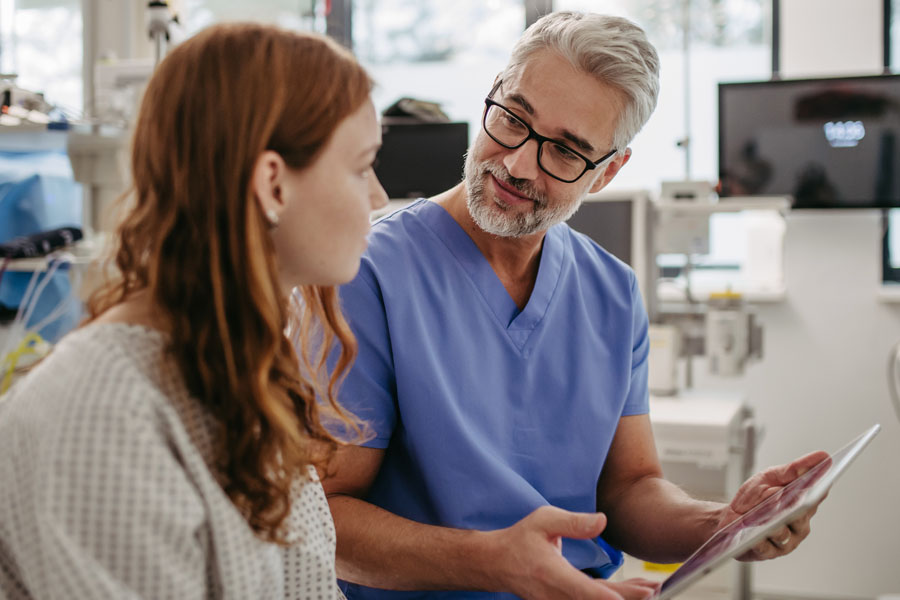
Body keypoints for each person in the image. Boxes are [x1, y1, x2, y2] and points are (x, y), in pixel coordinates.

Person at [320, 11, 828, 600]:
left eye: (565, 151)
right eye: (512, 119)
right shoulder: (367, 273)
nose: (516, 164)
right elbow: (327, 518)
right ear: (490, 96)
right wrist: (491, 563)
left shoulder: (611, 292)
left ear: (608, 171)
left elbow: (631, 489)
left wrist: (723, 525)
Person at [0, 23, 387, 598]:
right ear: (273, 185)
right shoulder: (102, 417)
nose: (378, 198)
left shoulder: (239, 366)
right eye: (361, 167)